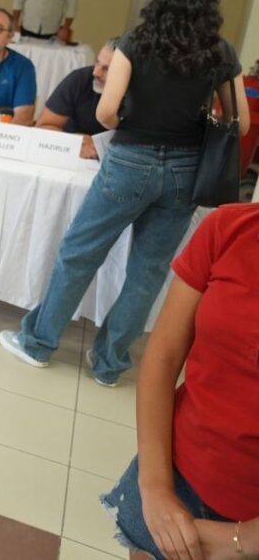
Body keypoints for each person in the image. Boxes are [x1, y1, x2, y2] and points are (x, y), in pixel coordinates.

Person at [0, 0, 249, 387]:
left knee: (80, 253)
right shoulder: (221, 51)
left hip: (130, 160)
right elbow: (240, 123)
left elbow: (106, 111)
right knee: (148, 271)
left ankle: (38, 344)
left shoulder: (136, 41)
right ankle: (110, 364)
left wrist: (135, 125)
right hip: (186, 171)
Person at [99, 202, 258, 560]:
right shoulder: (230, 229)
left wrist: (246, 538)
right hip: (179, 473)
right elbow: (163, 355)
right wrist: (155, 485)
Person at [37, 38, 118, 159]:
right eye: (97, 62)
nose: (96, 72)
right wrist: (76, 142)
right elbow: (43, 128)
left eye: (106, 69)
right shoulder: (80, 79)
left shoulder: (143, 96)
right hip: (71, 156)